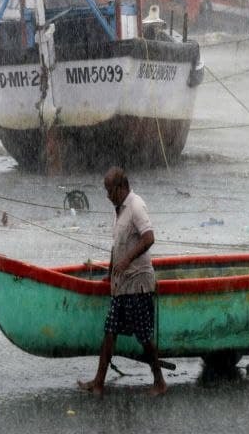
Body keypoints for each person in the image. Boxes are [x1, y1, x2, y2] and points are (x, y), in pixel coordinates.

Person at [78, 167, 168, 397]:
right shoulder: (118, 210)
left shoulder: (136, 206)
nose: (107, 195)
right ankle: (98, 382)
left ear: (121, 187)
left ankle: (159, 381)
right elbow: (116, 247)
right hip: (121, 284)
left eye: (110, 190)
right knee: (109, 332)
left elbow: (149, 238)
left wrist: (127, 260)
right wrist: (110, 274)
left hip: (138, 283)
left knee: (144, 336)